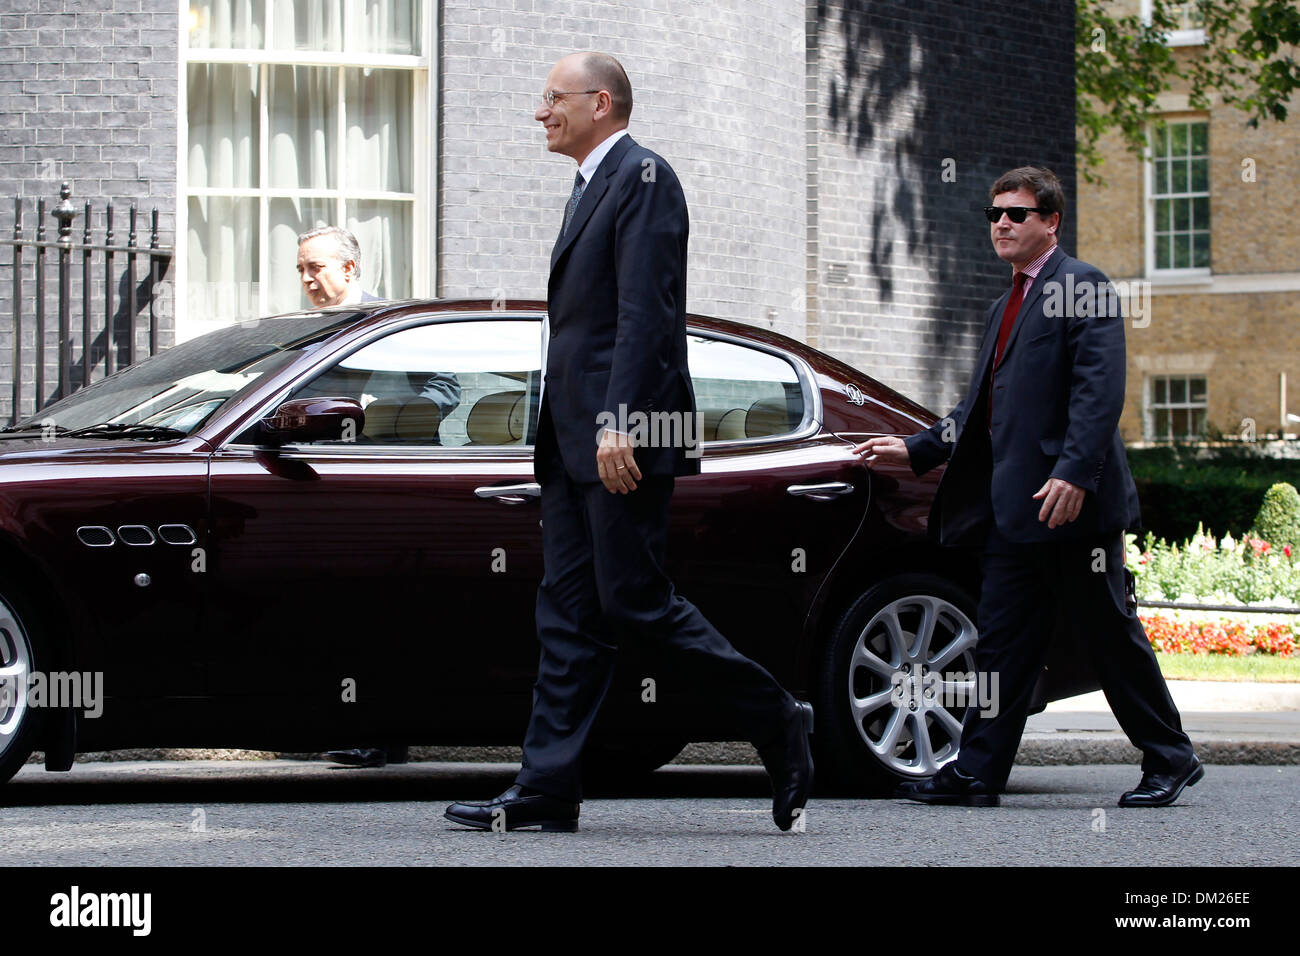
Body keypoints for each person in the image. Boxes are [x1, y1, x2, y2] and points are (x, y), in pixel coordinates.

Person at [444, 52, 813, 832]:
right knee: (569, 616)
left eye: (552, 98)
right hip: (573, 443)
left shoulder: (646, 178)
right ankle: (544, 790)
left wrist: (620, 421)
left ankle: (779, 717)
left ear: (600, 101)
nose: (540, 113)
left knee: (635, 604)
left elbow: (650, 313)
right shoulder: (589, 188)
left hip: (624, 436)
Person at [854, 167, 1200, 808]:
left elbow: (1100, 393)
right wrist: (914, 446)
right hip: (1012, 514)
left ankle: (1170, 757)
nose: (1003, 225)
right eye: (995, 216)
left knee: (1107, 637)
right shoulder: (1003, 305)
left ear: (1051, 222)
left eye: (1017, 214)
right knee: (1004, 644)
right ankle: (977, 772)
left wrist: (1073, 472)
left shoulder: (1083, 285)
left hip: (1072, 511)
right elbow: (978, 408)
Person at [293, 226, 455, 768]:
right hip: (323, 486)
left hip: (388, 483)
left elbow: (445, 389)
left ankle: (383, 735)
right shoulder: (301, 332)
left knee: (386, 612)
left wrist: (388, 417)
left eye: (314, 267)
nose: (307, 279)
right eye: (300, 270)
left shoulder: (389, 326)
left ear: (350, 270)